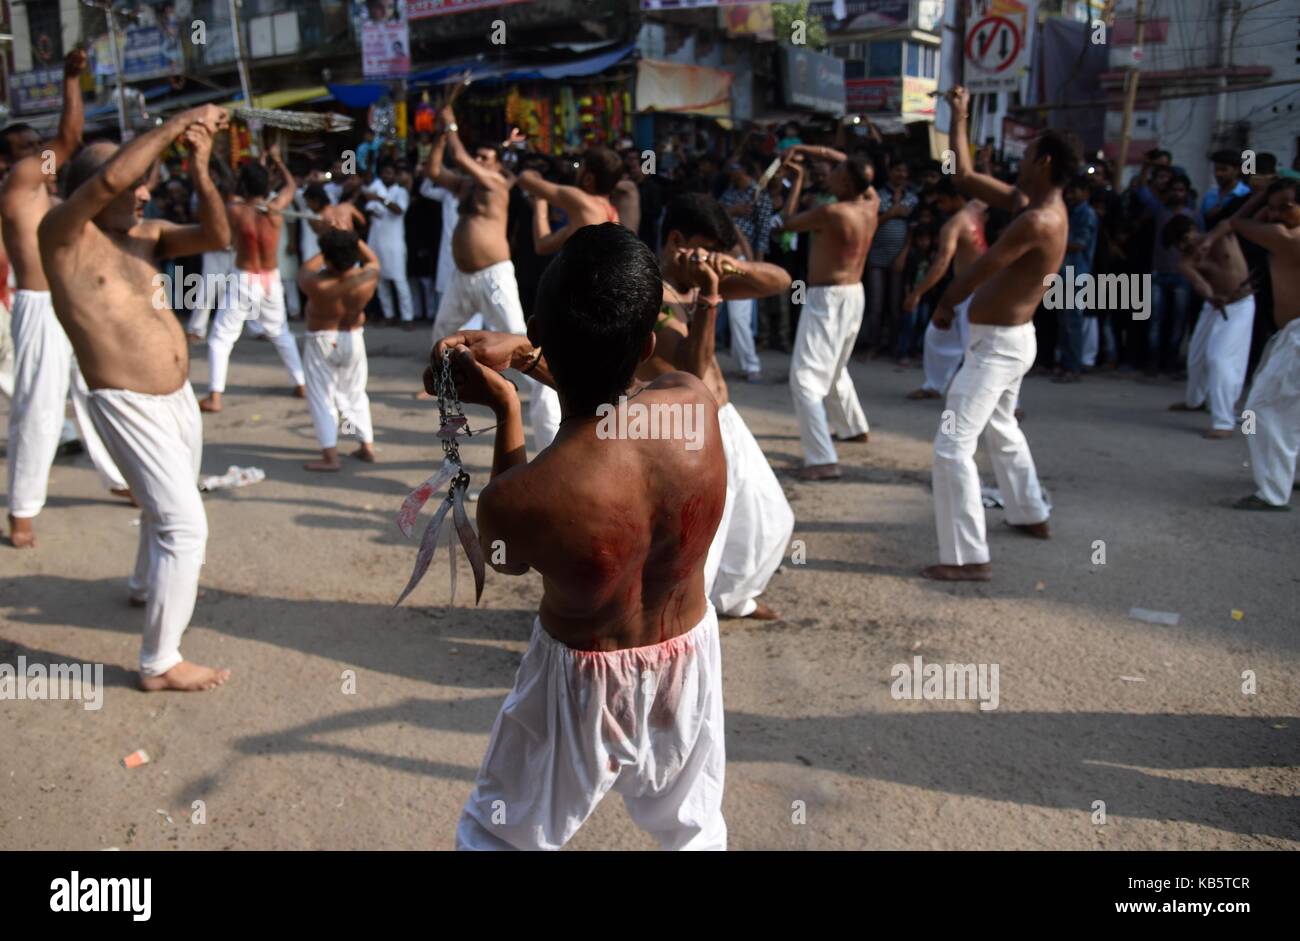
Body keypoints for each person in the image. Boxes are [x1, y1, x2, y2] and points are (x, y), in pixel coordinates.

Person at [434, 224, 729, 850]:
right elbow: (613, 407)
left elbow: (503, 561)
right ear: (647, 340)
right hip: (688, 650)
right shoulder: (693, 402)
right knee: (691, 823)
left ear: (538, 329)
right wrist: (527, 356)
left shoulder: (524, 497)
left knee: (501, 834)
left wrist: (507, 407)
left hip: (581, 675)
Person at [39, 105, 233, 691]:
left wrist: (200, 169)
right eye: (137, 182)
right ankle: (159, 661)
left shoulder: (145, 236)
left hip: (176, 399)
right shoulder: (62, 236)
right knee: (184, 525)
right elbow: (108, 179)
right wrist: (179, 124)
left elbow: (218, 236)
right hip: (124, 401)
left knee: (163, 511)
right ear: (91, 194)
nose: (145, 192)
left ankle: (146, 586)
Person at [922, 87, 1071, 582]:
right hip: (1006, 341)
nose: (1019, 161)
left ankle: (968, 558)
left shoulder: (1037, 220)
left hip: (998, 348)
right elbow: (964, 176)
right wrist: (958, 116)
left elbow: (985, 265)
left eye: (1027, 155)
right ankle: (1031, 513)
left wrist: (946, 301)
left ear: (1045, 162)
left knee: (951, 445)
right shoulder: (1038, 205)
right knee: (1002, 429)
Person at [642, 193, 793, 621]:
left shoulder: (700, 276)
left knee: (769, 516)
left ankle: (733, 598)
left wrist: (729, 268)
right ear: (677, 240)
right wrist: (711, 292)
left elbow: (780, 280)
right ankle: (675, 621)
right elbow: (692, 365)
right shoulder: (651, 292)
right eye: (709, 248)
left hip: (724, 418)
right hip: (683, 423)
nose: (714, 261)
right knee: (699, 534)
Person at [2, 48, 130, 549]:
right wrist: (70, 80)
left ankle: (119, 477)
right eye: (27, 146)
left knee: (101, 392)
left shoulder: (48, 195)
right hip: (37, 304)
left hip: (72, 303)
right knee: (37, 408)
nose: (39, 151)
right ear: (7, 161)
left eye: (38, 144)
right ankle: (23, 509)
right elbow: (69, 140)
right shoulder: (19, 186)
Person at [426, 104, 560, 450]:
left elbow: (461, 158)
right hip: (462, 276)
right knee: (442, 333)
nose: (481, 161)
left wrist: (451, 125)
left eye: (486, 157)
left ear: (496, 164)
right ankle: (457, 386)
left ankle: (548, 390)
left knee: (518, 337)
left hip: (494, 274)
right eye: (479, 157)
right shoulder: (466, 185)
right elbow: (434, 170)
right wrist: (442, 135)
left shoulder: (496, 181)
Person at [780, 143, 879, 481]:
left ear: (848, 184)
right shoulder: (871, 203)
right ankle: (852, 427)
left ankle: (822, 458)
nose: (831, 174)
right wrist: (810, 149)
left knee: (805, 380)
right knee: (835, 369)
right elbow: (852, 166)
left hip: (828, 299)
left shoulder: (832, 212)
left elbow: (787, 222)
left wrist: (798, 178)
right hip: (853, 294)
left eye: (837, 172)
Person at [1204, 180, 1300, 509]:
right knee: (1289, 409)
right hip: (1291, 332)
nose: (1278, 214)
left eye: (1287, 206)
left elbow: (1236, 223)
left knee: (1264, 409)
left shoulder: (1288, 237)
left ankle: (1273, 494)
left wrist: (1258, 196)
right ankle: (1288, 477)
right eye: (1274, 207)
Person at [199, 146, 306, 412]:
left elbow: (226, 191)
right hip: (270, 277)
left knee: (221, 338)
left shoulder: (235, 210)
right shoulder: (275, 208)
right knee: (281, 334)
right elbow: (291, 185)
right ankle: (301, 384)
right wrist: (278, 160)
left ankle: (215, 396)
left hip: (245, 277)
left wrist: (254, 169)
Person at [1163, 214, 1254, 439]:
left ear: (1195, 229)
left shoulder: (1222, 235)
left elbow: (1232, 220)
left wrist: (1210, 240)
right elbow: (1198, 282)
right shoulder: (1186, 260)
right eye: (1180, 245)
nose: (1187, 246)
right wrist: (1211, 295)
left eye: (1187, 238)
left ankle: (1223, 421)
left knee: (1219, 359)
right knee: (1195, 355)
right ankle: (1195, 400)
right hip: (1213, 306)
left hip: (1240, 305)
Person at [297, 229, 380, 471]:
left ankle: (331, 458)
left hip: (323, 339)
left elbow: (305, 268)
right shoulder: (366, 277)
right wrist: (351, 238)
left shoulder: (317, 283)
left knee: (322, 398)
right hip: (353, 337)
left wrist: (329, 246)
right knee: (355, 393)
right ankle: (367, 446)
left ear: (328, 257)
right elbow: (373, 260)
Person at [904, 178, 988, 399]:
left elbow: (941, 264)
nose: (939, 207)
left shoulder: (953, 225)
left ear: (956, 198)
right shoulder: (980, 208)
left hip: (975, 291)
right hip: (965, 289)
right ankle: (934, 384)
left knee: (980, 347)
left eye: (941, 201)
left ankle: (1004, 402)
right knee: (937, 335)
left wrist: (917, 293)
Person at [516, 146, 623, 254]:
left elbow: (524, 180)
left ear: (588, 179)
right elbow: (543, 246)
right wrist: (541, 198)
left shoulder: (580, 200)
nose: (577, 171)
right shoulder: (612, 214)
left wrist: (534, 174)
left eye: (581, 167)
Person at [1053, 175, 1099, 382]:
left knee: (1072, 322)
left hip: (1076, 273)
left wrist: (1055, 241)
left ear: (1085, 193)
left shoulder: (1086, 214)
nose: (1070, 195)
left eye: (1075, 191)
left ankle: (1073, 366)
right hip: (1066, 272)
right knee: (1065, 322)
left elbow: (1080, 243)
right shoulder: (1071, 212)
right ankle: (1066, 364)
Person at [360, 160, 412, 326]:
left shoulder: (400, 192)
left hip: (394, 244)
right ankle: (389, 315)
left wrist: (381, 199)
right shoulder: (376, 188)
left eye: (389, 173)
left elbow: (399, 210)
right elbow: (368, 209)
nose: (386, 176)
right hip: (376, 242)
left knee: (399, 281)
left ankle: (407, 317)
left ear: (395, 176)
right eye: (384, 173)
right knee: (380, 281)